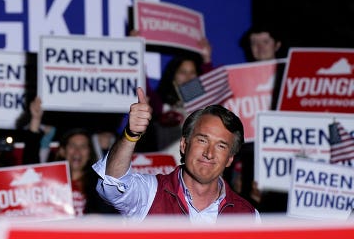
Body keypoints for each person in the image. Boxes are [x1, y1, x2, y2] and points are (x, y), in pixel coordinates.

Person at [93, 87, 256, 222]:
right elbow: (112, 184)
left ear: (230, 159)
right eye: (202, 140)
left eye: (221, 146)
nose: (209, 153)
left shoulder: (247, 215)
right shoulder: (151, 192)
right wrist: (131, 135)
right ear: (184, 145)